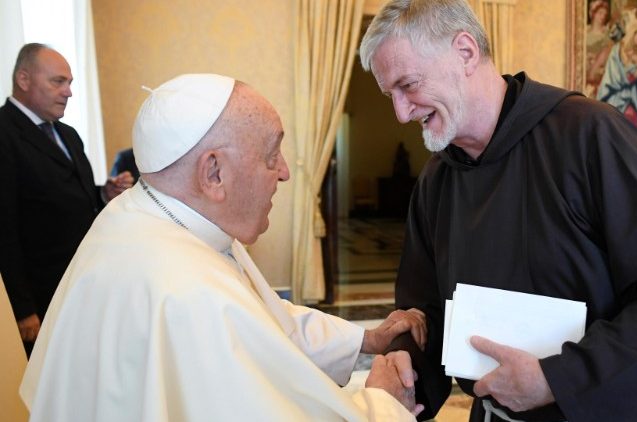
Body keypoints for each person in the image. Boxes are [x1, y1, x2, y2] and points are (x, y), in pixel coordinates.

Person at [359, 1, 637, 421]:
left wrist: (558, 378)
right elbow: (428, 313)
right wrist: (404, 368)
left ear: (465, 52)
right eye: (391, 96)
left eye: (408, 85)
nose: (401, 112)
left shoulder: (591, 136)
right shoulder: (437, 179)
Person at [19, 73, 426, 421]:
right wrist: (382, 402)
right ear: (213, 172)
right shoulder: (188, 289)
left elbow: (263, 318)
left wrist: (364, 340)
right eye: (272, 156)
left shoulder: (152, 218)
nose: (284, 172)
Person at [0, 43, 133, 356]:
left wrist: (103, 193)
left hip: (82, 285)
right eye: (58, 82)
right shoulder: (3, 134)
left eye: (70, 82)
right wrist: (22, 309)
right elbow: (3, 229)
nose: (69, 92)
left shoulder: (68, 134)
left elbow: (69, 197)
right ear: (23, 79)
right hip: (40, 296)